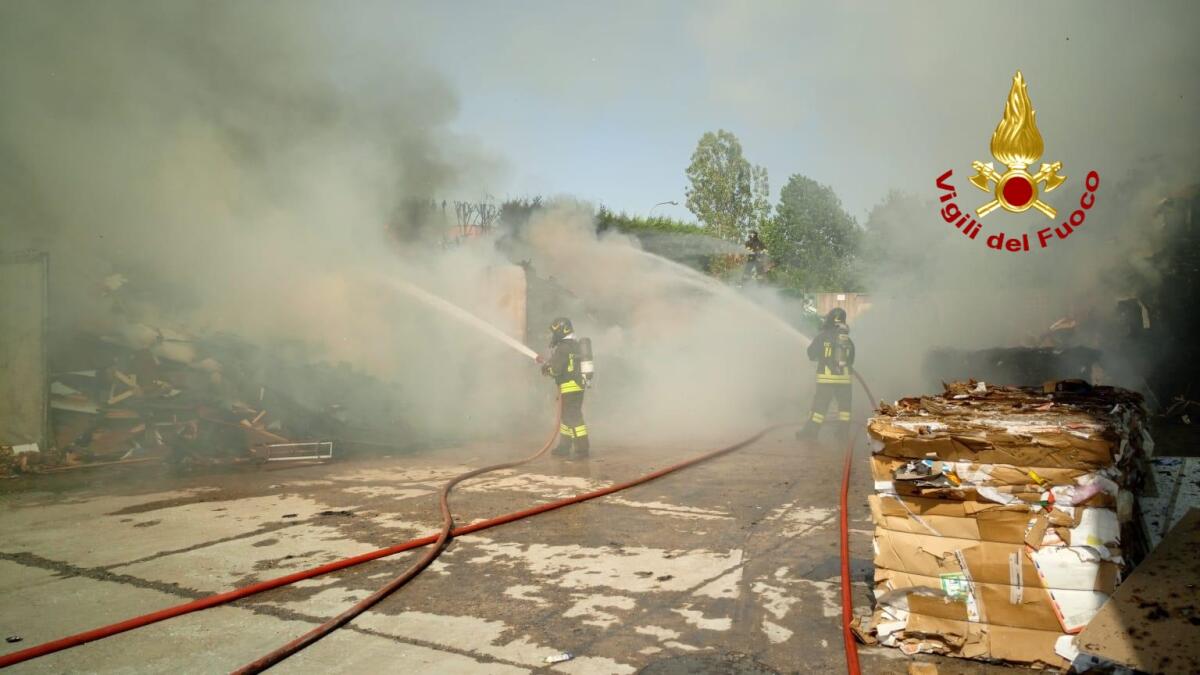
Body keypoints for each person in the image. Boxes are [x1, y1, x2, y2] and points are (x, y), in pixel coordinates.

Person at [800, 307, 855, 442]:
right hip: (845, 379)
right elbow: (852, 359)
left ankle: (811, 432)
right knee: (844, 410)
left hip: (826, 379)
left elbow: (811, 354)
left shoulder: (822, 337)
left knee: (819, 407)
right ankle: (842, 433)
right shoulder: (847, 340)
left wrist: (823, 356)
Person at [541, 317, 590, 459]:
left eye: (554, 332)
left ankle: (582, 449)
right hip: (575, 387)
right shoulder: (573, 345)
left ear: (562, 330)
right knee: (567, 417)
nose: (553, 336)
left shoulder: (563, 348)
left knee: (573, 417)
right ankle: (564, 446)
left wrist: (546, 369)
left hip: (569, 387)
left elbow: (556, 369)